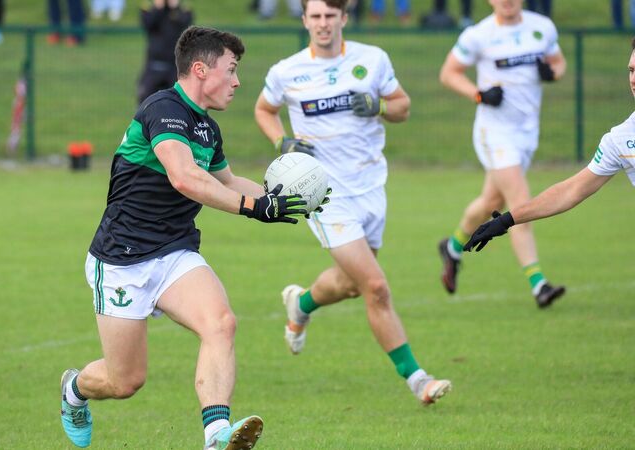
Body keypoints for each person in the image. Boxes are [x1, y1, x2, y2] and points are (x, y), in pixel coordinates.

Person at [59, 26, 313, 449]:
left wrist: (285, 199)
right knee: (125, 381)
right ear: (200, 69)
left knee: (221, 323)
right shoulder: (163, 109)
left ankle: (216, 435)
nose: (237, 82)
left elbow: (227, 181)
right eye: (231, 70)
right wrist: (254, 208)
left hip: (175, 252)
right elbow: (184, 177)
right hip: (122, 259)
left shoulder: (207, 129)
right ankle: (74, 390)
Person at [254, 0, 452, 406]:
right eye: (315, 16)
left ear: (344, 17)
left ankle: (300, 304)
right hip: (323, 193)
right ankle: (418, 379)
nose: (323, 23)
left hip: (371, 185)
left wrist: (380, 106)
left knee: (350, 285)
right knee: (375, 287)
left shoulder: (372, 60)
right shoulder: (286, 71)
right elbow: (264, 110)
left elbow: (403, 107)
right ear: (304, 20)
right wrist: (281, 141)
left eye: (330, 16)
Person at [437, 0, 567, 308]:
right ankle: (538, 284)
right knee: (520, 203)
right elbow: (449, 73)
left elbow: (559, 63)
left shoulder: (542, 27)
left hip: (527, 133)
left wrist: (551, 73)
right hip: (494, 133)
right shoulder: (478, 34)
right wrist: (479, 95)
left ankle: (452, 248)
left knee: (491, 202)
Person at [464, 38, 635, 253]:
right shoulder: (620, 139)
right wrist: (506, 220)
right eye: (631, 70)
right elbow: (571, 191)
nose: (633, 79)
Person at [137, 0, 192, 105]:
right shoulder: (149, 10)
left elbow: (186, 25)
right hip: (153, 66)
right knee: (145, 101)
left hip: (174, 67)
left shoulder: (182, 11)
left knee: (177, 102)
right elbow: (148, 24)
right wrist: (158, 8)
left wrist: (175, 8)